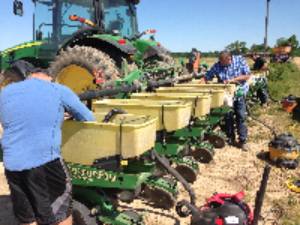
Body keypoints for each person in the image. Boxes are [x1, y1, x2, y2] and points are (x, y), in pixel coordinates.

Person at [0, 61, 95, 225]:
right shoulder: (57, 89)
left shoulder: (6, 92)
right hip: (45, 163)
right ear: (49, 77)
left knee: (27, 215)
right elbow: (88, 118)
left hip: (12, 165)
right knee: (60, 213)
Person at [206, 51, 251, 151]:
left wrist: (233, 80)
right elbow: (208, 76)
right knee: (227, 116)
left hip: (239, 92)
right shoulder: (218, 65)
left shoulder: (240, 60)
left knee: (240, 115)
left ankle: (243, 141)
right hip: (226, 95)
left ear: (229, 59)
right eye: (220, 63)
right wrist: (201, 83)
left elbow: (247, 75)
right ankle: (230, 138)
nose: (221, 65)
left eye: (223, 64)